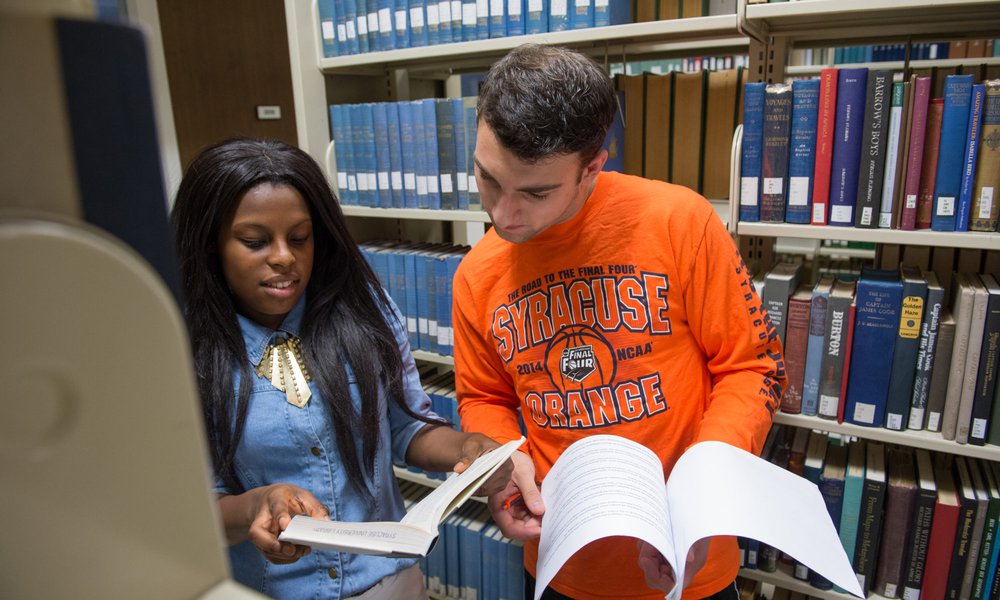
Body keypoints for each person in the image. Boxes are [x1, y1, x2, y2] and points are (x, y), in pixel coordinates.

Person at [452, 44, 786, 600]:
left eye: (536, 192)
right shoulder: (476, 275)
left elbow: (752, 367)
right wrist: (505, 463)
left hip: (687, 559)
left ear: (593, 167)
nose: (502, 215)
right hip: (560, 564)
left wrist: (701, 497)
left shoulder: (680, 222)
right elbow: (485, 396)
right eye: (488, 179)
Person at [171, 137, 509, 599]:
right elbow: (189, 508)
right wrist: (256, 508)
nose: (283, 257)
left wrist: (467, 449)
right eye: (254, 242)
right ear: (210, 245)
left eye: (299, 238)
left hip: (388, 586)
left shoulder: (363, 310)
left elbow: (407, 428)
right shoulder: (181, 349)